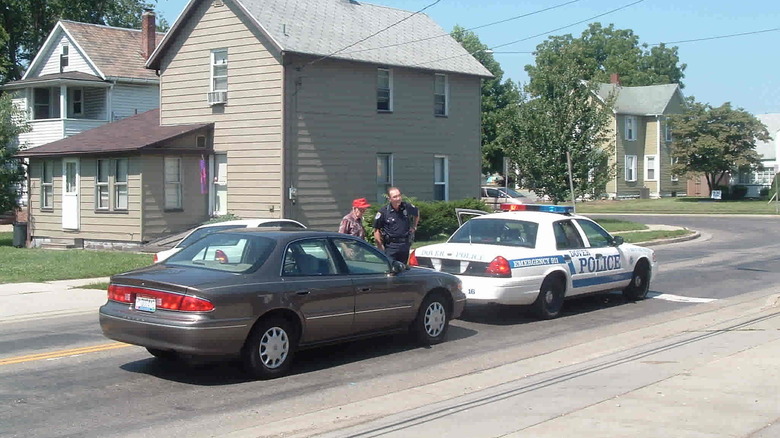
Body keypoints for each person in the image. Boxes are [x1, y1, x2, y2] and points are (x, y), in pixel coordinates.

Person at [373, 187, 419, 263]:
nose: (398, 198)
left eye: (399, 195)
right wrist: (380, 247)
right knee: (391, 270)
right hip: (391, 246)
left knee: (403, 269)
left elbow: (416, 213)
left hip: (404, 244)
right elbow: (376, 230)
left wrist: (414, 226)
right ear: (389, 199)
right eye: (395, 197)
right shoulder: (383, 212)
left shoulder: (406, 207)